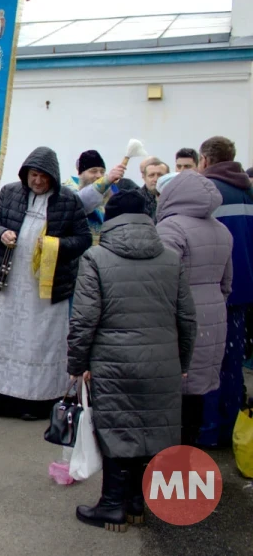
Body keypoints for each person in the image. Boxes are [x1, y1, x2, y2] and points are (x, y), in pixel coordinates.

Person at [68, 190, 196, 532]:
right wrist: (181, 361)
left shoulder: (96, 258)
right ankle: (137, 504)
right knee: (151, 431)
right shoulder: (171, 259)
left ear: (110, 219)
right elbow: (187, 318)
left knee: (117, 428)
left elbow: (83, 320)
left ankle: (112, 505)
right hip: (162, 362)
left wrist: (76, 364)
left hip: (113, 362)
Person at [0, 147, 92, 421]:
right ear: (25, 174)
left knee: (40, 342)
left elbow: (84, 238)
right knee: (5, 338)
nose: (38, 181)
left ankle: (37, 402)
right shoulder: (9, 193)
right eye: (33, 175)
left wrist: (56, 245)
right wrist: (1, 233)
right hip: (10, 282)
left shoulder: (68, 200)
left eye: (43, 176)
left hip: (47, 287)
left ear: (53, 177)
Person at [155, 171, 232, 446]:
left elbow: (163, 279)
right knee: (196, 392)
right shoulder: (221, 229)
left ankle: (166, 462)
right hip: (214, 318)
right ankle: (188, 453)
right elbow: (227, 283)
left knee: (172, 392)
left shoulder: (170, 228)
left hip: (180, 318)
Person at [198, 136, 253, 447]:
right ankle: (231, 427)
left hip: (213, 290)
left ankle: (208, 431)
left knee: (207, 363)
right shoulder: (247, 191)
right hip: (243, 291)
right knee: (232, 363)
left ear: (205, 160)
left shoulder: (209, 193)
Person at [65, 150, 126, 245]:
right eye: (93, 171)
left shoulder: (109, 193)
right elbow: (80, 203)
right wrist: (107, 180)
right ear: (80, 173)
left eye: (102, 172)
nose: (99, 176)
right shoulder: (67, 190)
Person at [140, 157, 168, 223]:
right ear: (144, 178)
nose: (156, 179)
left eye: (160, 175)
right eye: (151, 175)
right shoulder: (136, 200)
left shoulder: (176, 198)